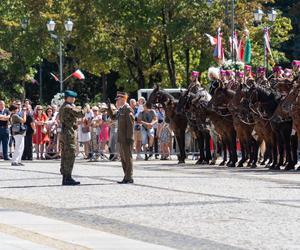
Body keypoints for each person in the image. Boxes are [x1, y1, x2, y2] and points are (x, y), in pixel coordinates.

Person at [107, 91, 135, 184]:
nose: (117, 101)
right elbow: (113, 117)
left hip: (127, 138)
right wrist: (108, 108)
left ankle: (129, 177)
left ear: (123, 99)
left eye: (118, 99)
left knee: (127, 157)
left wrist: (129, 138)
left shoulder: (128, 109)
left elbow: (130, 125)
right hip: (121, 137)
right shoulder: (120, 109)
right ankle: (126, 176)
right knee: (123, 158)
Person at [59, 90, 84, 186]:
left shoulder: (64, 106)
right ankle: (67, 177)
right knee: (70, 154)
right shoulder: (68, 107)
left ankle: (66, 177)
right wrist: (86, 108)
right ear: (68, 98)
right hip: (68, 133)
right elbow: (80, 113)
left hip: (66, 132)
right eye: (72, 97)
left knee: (66, 154)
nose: (74, 99)